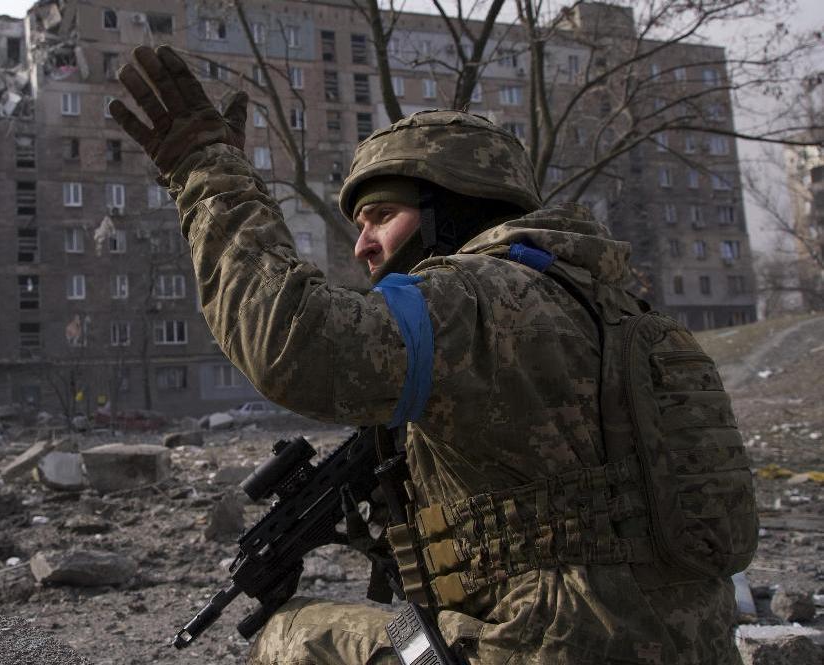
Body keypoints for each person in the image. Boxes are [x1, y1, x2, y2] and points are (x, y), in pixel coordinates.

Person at [110, 45, 751, 665]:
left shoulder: (476, 297)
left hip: (545, 647)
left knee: (290, 637)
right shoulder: (615, 309)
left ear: (453, 210)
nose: (362, 246)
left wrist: (205, 169)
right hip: (686, 644)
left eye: (381, 216)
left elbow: (294, 343)